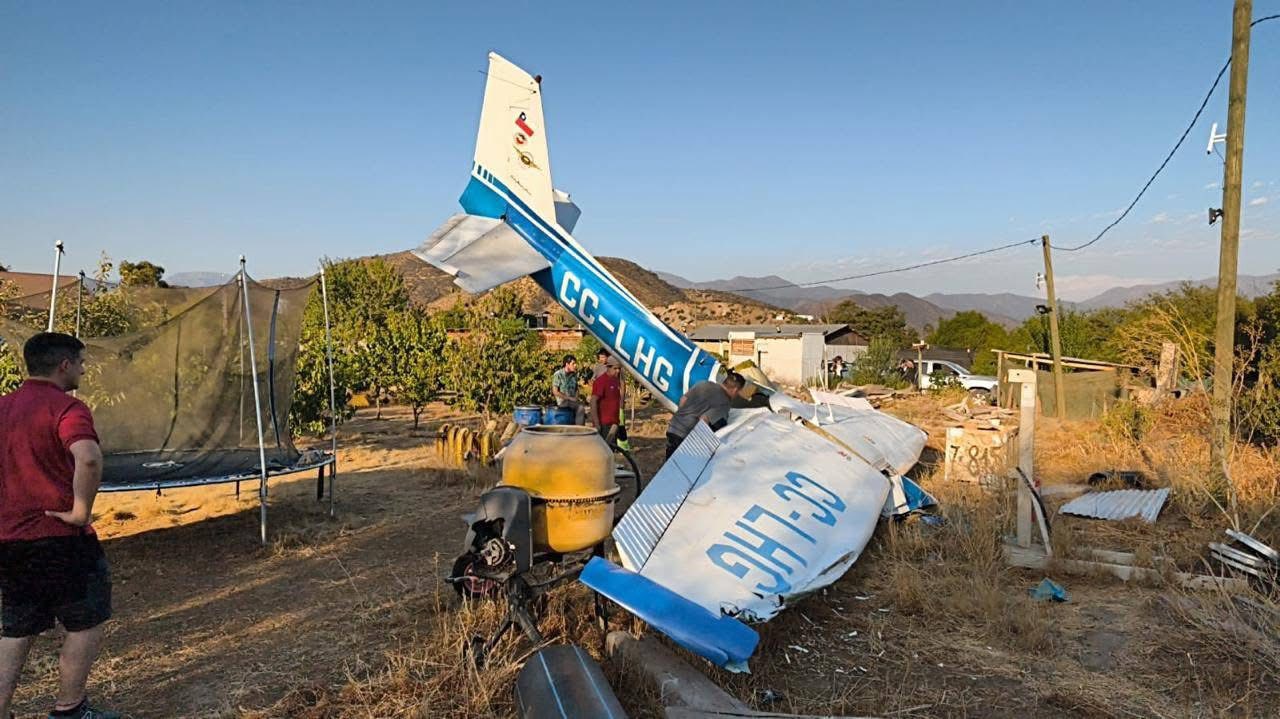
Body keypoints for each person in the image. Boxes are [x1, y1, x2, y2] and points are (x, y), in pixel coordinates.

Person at [0, 333, 120, 719]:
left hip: (9, 540)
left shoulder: (3, 408)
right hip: (61, 538)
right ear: (64, 365)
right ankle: (69, 709)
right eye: (81, 362)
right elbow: (87, 458)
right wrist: (81, 512)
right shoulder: (67, 408)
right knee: (85, 619)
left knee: (16, 628)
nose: (84, 369)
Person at [665, 372, 745, 459]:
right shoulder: (724, 401)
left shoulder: (703, 383)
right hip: (685, 436)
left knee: (670, 463)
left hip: (673, 427)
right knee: (679, 467)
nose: (737, 395)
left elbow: (683, 400)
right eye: (739, 392)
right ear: (735, 390)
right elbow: (703, 420)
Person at [590, 358, 624, 444]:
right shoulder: (601, 381)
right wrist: (597, 423)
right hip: (603, 425)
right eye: (615, 368)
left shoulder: (616, 380)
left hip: (614, 424)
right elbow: (593, 401)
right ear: (608, 367)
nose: (618, 371)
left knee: (611, 451)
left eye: (619, 368)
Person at [551, 354, 586, 424]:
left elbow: (576, 389)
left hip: (572, 402)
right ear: (567, 364)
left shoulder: (574, 375)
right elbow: (555, 391)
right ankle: (578, 430)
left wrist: (576, 397)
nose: (575, 365)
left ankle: (579, 428)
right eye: (573, 363)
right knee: (580, 408)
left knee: (582, 407)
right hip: (562, 402)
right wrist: (569, 398)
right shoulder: (558, 374)